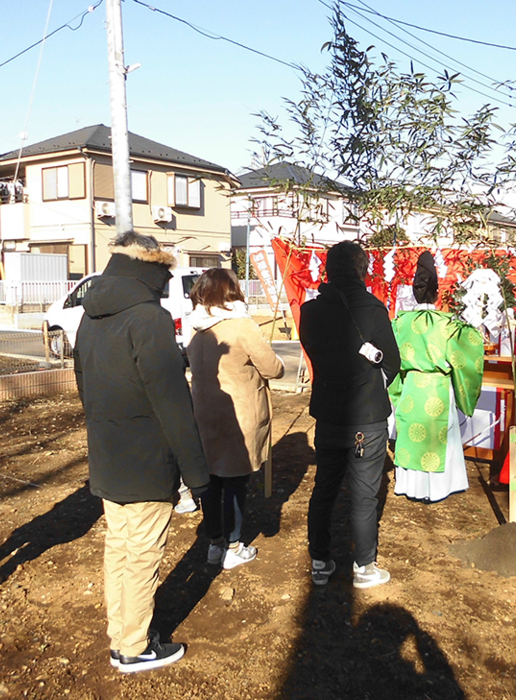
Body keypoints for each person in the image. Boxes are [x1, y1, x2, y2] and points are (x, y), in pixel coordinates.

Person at [74, 231, 210, 674]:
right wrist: (197, 473)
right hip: (148, 457)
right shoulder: (148, 320)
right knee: (143, 553)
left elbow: (83, 384)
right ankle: (133, 648)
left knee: (120, 546)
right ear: (152, 271)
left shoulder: (90, 317)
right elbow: (173, 404)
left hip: (108, 453)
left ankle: (123, 633)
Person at [299, 241, 400, 589]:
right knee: (364, 492)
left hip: (328, 413)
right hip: (366, 417)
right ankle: (364, 566)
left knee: (325, 486)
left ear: (329, 269)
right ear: (362, 270)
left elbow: (314, 351)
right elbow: (393, 362)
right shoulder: (373, 309)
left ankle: (320, 562)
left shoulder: (310, 311)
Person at [185, 269, 284, 569]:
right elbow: (272, 368)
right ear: (231, 291)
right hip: (238, 414)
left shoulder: (194, 326)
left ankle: (215, 543)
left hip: (203, 413)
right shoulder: (241, 325)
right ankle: (233, 545)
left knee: (212, 481)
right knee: (236, 483)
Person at [389, 252, 485, 502]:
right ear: (437, 293)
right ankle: (439, 488)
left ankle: (409, 486)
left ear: (413, 292)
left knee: (411, 434)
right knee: (438, 437)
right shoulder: (449, 324)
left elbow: (391, 361)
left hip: (411, 388)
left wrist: (396, 390)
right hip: (438, 389)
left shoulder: (400, 323)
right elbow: (467, 359)